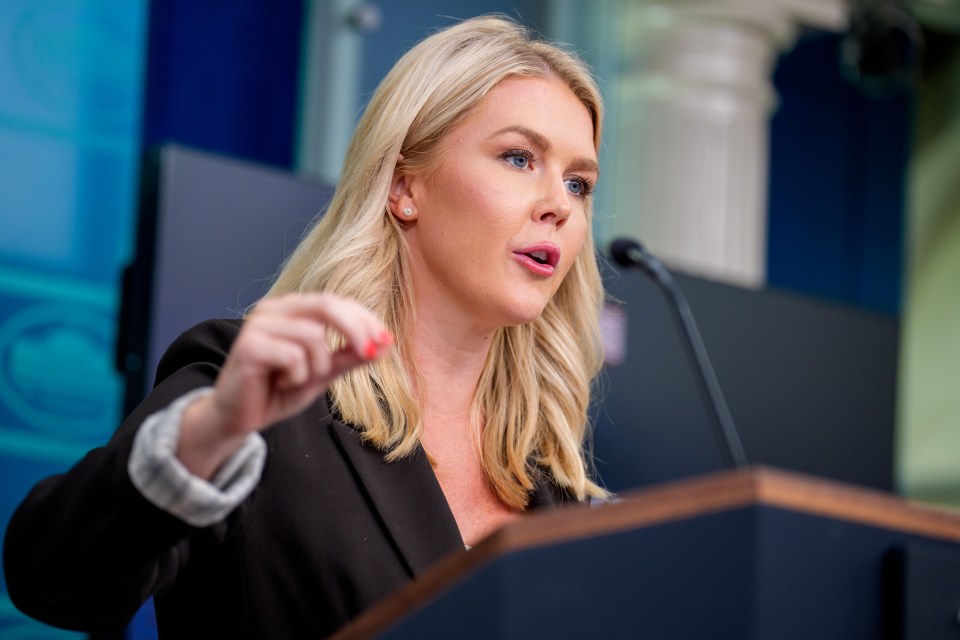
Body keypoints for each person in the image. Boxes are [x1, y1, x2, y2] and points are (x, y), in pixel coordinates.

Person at [4, 14, 609, 638]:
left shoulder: (552, 483)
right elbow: (54, 579)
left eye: (579, 183)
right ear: (404, 186)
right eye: (518, 158)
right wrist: (211, 433)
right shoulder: (251, 389)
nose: (560, 205)